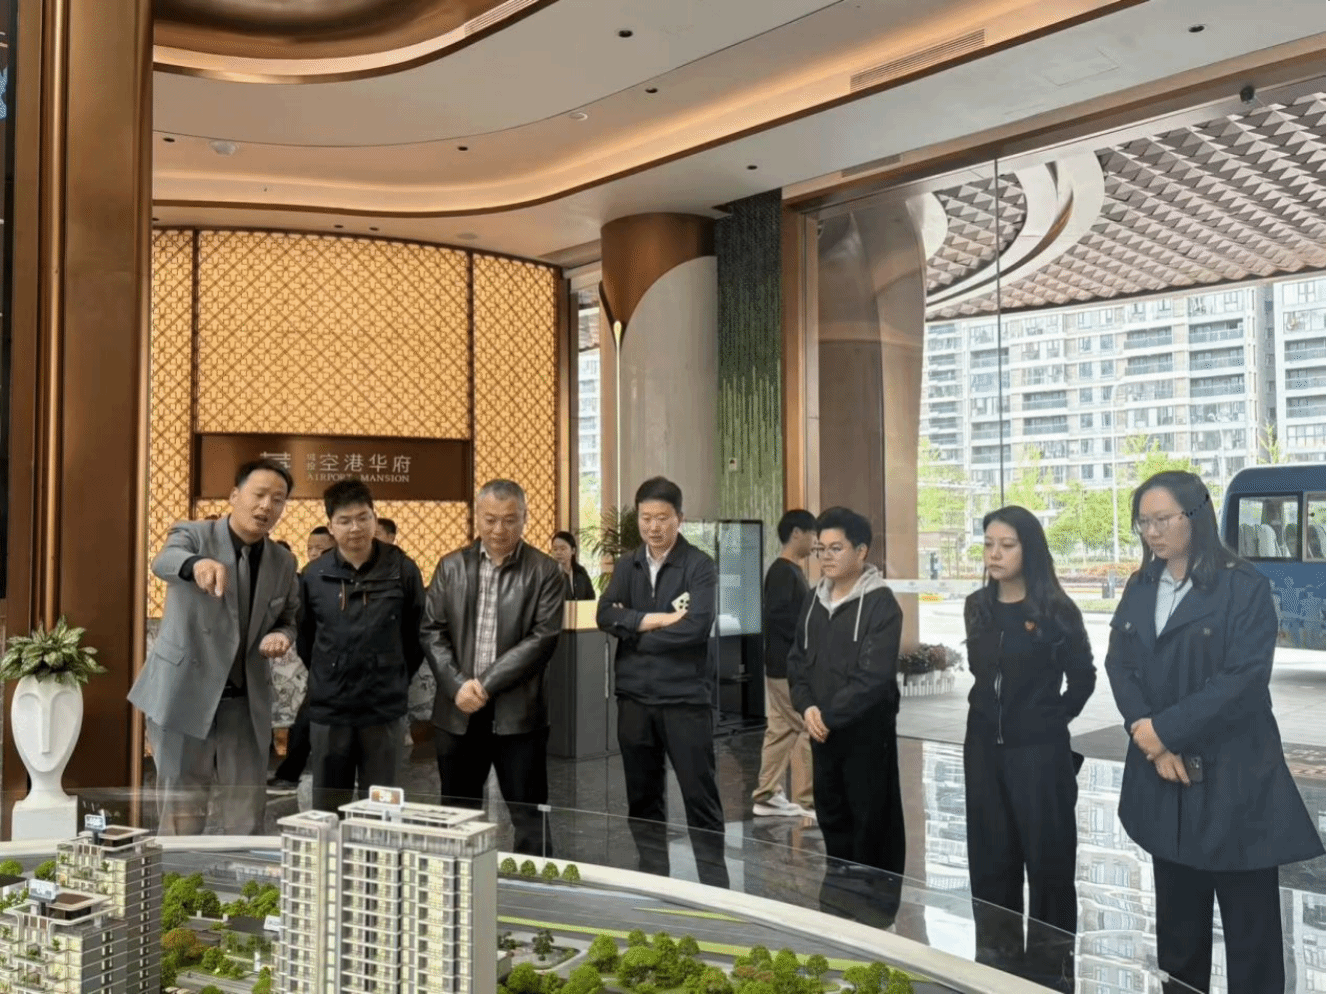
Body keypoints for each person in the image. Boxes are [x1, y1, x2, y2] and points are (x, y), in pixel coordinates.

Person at [1106, 471, 1323, 994]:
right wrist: (1149, 738)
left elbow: (1243, 681)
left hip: (1235, 786)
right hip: (1166, 781)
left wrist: (1165, 732)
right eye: (1143, 522)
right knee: (1178, 938)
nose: (1152, 532)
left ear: (1196, 516)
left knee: (1253, 941)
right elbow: (1120, 665)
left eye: (1163, 519)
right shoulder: (1140, 586)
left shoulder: (1244, 586)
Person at [129, 459, 300, 835]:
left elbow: (289, 617)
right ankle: (180, 870)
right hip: (185, 694)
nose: (267, 506)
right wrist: (196, 565)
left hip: (245, 703)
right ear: (235, 496)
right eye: (259, 494)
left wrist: (283, 636)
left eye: (278, 499)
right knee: (182, 810)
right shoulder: (193, 534)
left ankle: (241, 872)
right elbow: (164, 561)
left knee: (246, 813)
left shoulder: (284, 561)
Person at [963, 505, 1095, 990]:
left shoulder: (1056, 610)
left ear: (1029, 550)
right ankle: (994, 972)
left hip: (1040, 756)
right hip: (983, 752)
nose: (994, 554)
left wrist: (1050, 720)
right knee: (990, 865)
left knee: (1049, 868)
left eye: (1007, 545)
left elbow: (1083, 678)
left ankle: (1049, 978)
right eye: (988, 544)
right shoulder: (977, 606)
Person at [597, 476, 729, 888]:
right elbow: (604, 614)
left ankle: (716, 892)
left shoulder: (699, 565)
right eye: (646, 518)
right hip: (634, 699)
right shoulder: (628, 564)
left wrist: (634, 632)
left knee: (699, 798)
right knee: (642, 799)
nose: (653, 527)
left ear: (680, 519)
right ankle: (654, 883)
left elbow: (696, 627)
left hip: (685, 700)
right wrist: (655, 620)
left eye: (663, 518)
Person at [421, 479, 564, 855]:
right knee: (456, 814)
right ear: (477, 518)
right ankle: (459, 881)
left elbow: (543, 639)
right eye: (490, 519)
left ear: (525, 518)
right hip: (458, 711)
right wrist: (458, 686)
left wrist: (483, 685)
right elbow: (431, 631)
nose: (499, 529)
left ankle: (532, 883)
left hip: (518, 714)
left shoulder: (545, 571)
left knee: (529, 814)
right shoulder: (451, 566)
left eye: (510, 520)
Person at [787, 506, 904, 924]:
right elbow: (797, 662)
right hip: (823, 733)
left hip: (866, 736)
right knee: (833, 818)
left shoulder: (881, 604)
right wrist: (807, 707)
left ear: (861, 551)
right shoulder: (813, 600)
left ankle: (875, 915)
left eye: (836, 548)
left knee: (871, 823)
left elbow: (873, 677)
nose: (826, 556)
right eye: (821, 548)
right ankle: (837, 909)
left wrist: (828, 716)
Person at [297, 480, 426, 813]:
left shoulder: (401, 569)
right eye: (344, 520)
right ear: (331, 527)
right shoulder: (314, 574)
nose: (355, 528)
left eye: (362, 517)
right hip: (330, 710)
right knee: (327, 809)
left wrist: (393, 672)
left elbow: (417, 635)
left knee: (382, 807)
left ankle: (379, 850)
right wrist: (331, 671)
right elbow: (305, 638)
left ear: (374, 518)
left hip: (383, 709)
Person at [752, 509, 816, 819]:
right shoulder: (782, 572)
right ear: (796, 534)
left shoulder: (791, 571)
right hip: (786, 667)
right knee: (810, 726)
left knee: (780, 730)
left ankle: (766, 795)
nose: (816, 542)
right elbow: (779, 618)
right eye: (813, 535)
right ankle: (806, 801)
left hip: (783, 665)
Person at [269, 526, 339, 790]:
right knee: (307, 717)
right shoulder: (307, 577)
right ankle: (291, 773)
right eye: (310, 548)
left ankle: (293, 773)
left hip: (346, 663)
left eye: (321, 548)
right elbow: (304, 627)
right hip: (321, 663)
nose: (314, 553)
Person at [550, 530, 596, 601]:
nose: (558, 552)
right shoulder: (549, 574)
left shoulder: (581, 572)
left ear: (573, 550)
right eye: (555, 549)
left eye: (563, 549)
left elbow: (591, 598)